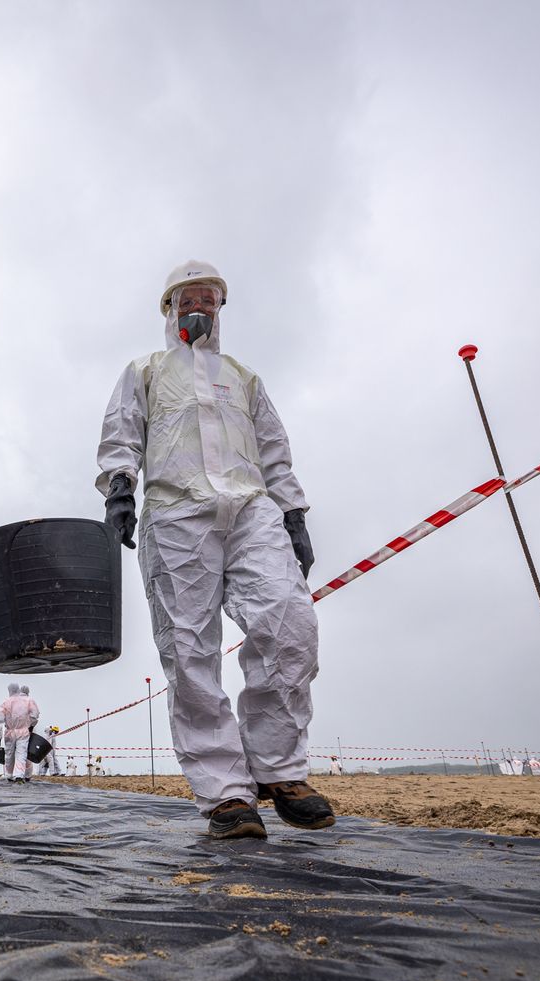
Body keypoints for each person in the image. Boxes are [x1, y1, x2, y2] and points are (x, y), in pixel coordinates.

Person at [98, 260, 332, 841]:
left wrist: (294, 514)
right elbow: (121, 431)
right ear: (169, 309)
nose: (199, 309)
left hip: (252, 509)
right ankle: (226, 793)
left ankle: (279, 769)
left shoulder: (243, 378)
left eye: (209, 300)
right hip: (178, 513)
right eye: (187, 300)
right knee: (190, 650)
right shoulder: (146, 371)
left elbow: (274, 449)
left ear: (221, 309)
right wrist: (120, 487)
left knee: (290, 623)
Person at [0, 682, 39, 782]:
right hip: (23, 731)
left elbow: (2, 716)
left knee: (9, 753)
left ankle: (9, 774)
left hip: (10, 731)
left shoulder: (8, 701)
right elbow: (35, 716)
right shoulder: (29, 700)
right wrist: (30, 726)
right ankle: (19, 775)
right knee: (21, 753)